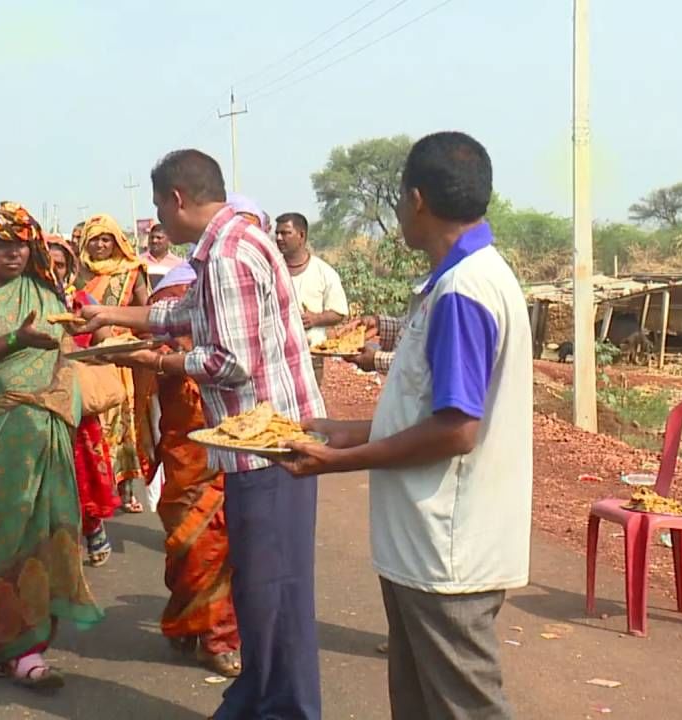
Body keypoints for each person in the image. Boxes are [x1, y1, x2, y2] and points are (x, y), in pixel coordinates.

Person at [280, 132, 532, 720]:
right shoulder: (459, 280)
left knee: (464, 707)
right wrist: (345, 428)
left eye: (398, 200)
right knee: (419, 703)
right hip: (427, 548)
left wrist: (339, 462)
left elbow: (455, 430)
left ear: (416, 199)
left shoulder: (464, 292)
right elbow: (430, 410)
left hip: (448, 550)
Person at [79, 149, 325, 720]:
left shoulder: (227, 255)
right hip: (257, 445)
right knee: (260, 593)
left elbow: (228, 360)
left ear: (177, 199)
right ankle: (256, 699)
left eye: (158, 206)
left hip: (267, 448)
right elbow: (188, 314)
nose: (157, 221)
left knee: (276, 595)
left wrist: (161, 365)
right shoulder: (235, 242)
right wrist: (116, 320)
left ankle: (285, 708)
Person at [0, 202, 110, 690]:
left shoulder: (47, 293)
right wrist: (17, 339)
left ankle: (28, 650)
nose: (13, 254)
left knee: (39, 531)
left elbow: (75, 338)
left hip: (41, 429)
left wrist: (96, 334)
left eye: (21, 245)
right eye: (1, 245)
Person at [141, 262, 242, 678]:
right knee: (188, 544)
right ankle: (186, 620)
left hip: (231, 446)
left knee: (221, 544)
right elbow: (142, 394)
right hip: (184, 454)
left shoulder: (232, 324)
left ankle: (217, 639)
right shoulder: (160, 335)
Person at [45, 233, 122, 566]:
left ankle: (92, 527)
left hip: (77, 404)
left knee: (82, 472)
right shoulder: (21, 302)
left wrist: (85, 350)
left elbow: (105, 339)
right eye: (45, 262)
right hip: (35, 403)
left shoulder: (82, 301)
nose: (52, 270)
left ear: (70, 268)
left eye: (59, 264)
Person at [77, 213, 152, 513]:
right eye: (94, 239)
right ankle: (98, 492)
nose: (100, 245)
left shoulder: (132, 271)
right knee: (96, 423)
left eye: (106, 238)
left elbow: (146, 310)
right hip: (92, 357)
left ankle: (127, 488)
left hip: (123, 356)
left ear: (117, 241)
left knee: (126, 424)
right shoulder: (80, 273)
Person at [274, 212, 349, 384]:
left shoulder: (324, 272)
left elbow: (340, 312)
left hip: (310, 357)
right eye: (277, 233)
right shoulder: (269, 270)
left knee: (308, 409)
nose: (279, 238)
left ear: (301, 236)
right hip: (276, 357)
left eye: (285, 233)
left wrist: (315, 319)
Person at [139, 221, 185, 288]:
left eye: (159, 237)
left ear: (168, 240)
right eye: (152, 237)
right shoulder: (139, 261)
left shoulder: (179, 264)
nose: (154, 240)